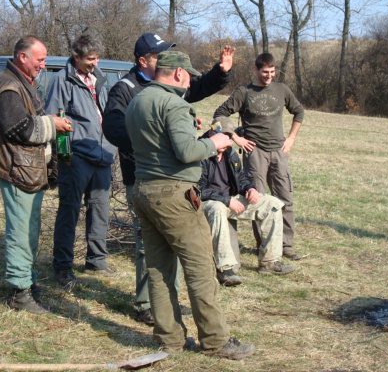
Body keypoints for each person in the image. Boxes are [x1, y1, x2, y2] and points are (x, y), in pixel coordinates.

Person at [125, 50, 255, 360]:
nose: (191, 82)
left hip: (143, 190)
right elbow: (185, 152)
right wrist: (217, 142)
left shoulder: (137, 100)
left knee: (158, 269)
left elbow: (159, 143)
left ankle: (169, 339)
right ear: (180, 74)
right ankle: (215, 341)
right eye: (190, 76)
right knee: (200, 267)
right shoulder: (174, 103)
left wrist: (188, 129)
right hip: (174, 194)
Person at [103, 32, 234, 325]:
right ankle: (146, 304)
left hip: (172, 179)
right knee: (149, 248)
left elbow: (194, 86)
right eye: (157, 55)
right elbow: (113, 129)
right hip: (142, 175)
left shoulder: (165, 89)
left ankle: (167, 313)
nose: (162, 58)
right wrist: (158, 141)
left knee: (166, 248)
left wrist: (220, 72)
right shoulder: (125, 89)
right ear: (142, 61)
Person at [0, 36, 71, 314]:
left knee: (29, 230)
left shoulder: (21, 82)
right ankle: (20, 294)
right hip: (16, 169)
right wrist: (52, 124)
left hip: (27, 169)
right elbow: (18, 128)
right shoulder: (9, 86)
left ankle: (27, 283)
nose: (43, 66)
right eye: (40, 60)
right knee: (21, 233)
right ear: (23, 57)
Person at [214, 52, 305, 261]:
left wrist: (291, 138)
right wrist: (236, 138)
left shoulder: (282, 90)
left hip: (279, 151)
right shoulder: (244, 92)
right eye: (265, 72)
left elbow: (299, 112)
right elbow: (220, 113)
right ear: (255, 70)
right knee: (259, 199)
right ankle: (264, 246)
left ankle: (286, 246)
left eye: (272, 72)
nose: (269, 76)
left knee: (285, 198)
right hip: (254, 153)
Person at [46, 32, 117, 288]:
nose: (95, 63)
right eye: (90, 59)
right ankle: (63, 266)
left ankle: (96, 259)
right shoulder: (61, 80)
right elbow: (53, 119)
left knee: (100, 208)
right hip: (76, 155)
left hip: (103, 153)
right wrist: (64, 155)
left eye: (97, 58)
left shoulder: (99, 78)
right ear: (76, 57)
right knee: (70, 209)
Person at [198, 117, 295, 287]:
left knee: (272, 203)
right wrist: (226, 200)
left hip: (231, 200)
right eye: (221, 136)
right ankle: (225, 269)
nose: (226, 141)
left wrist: (249, 189)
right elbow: (197, 190)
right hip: (209, 203)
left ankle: (270, 262)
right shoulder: (200, 152)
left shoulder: (230, 152)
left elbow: (241, 177)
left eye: (229, 137)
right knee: (218, 208)